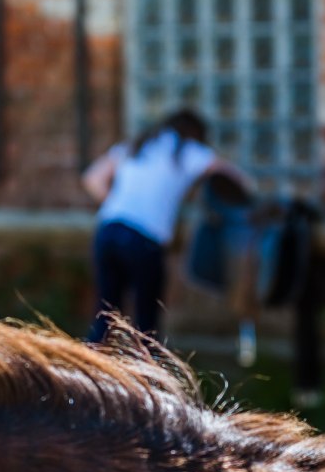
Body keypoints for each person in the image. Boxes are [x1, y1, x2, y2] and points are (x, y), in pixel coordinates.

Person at [79, 109, 253, 342]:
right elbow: (236, 179)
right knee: (146, 323)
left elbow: (93, 178)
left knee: (105, 314)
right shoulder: (187, 151)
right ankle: (146, 374)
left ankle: (91, 370)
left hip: (109, 228)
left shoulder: (138, 145)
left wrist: (122, 206)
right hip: (144, 238)